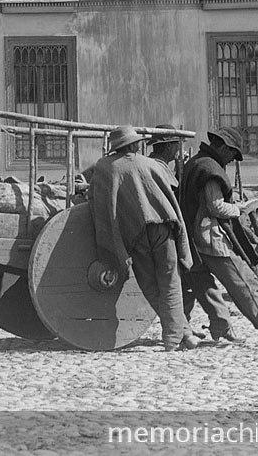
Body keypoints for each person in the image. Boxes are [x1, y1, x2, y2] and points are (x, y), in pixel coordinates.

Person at [178, 127, 258, 347]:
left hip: (193, 237)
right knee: (244, 281)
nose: (232, 159)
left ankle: (221, 326)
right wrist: (238, 208)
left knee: (203, 284)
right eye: (233, 154)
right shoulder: (210, 169)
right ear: (223, 147)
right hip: (211, 238)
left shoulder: (196, 163)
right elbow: (215, 206)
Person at [90, 125, 199, 352]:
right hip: (163, 227)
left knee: (149, 285)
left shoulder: (106, 168)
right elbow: (169, 193)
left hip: (135, 232)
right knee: (170, 282)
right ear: (135, 144)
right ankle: (181, 336)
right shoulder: (150, 165)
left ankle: (178, 336)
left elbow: (98, 201)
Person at [150, 124, 242, 345]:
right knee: (182, 282)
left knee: (194, 280)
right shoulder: (157, 167)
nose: (178, 150)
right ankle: (184, 330)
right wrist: (238, 209)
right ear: (169, 146)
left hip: (181, 232)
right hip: (168, 232)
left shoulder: (167, 166)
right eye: (175, 145)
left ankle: (201, 326)